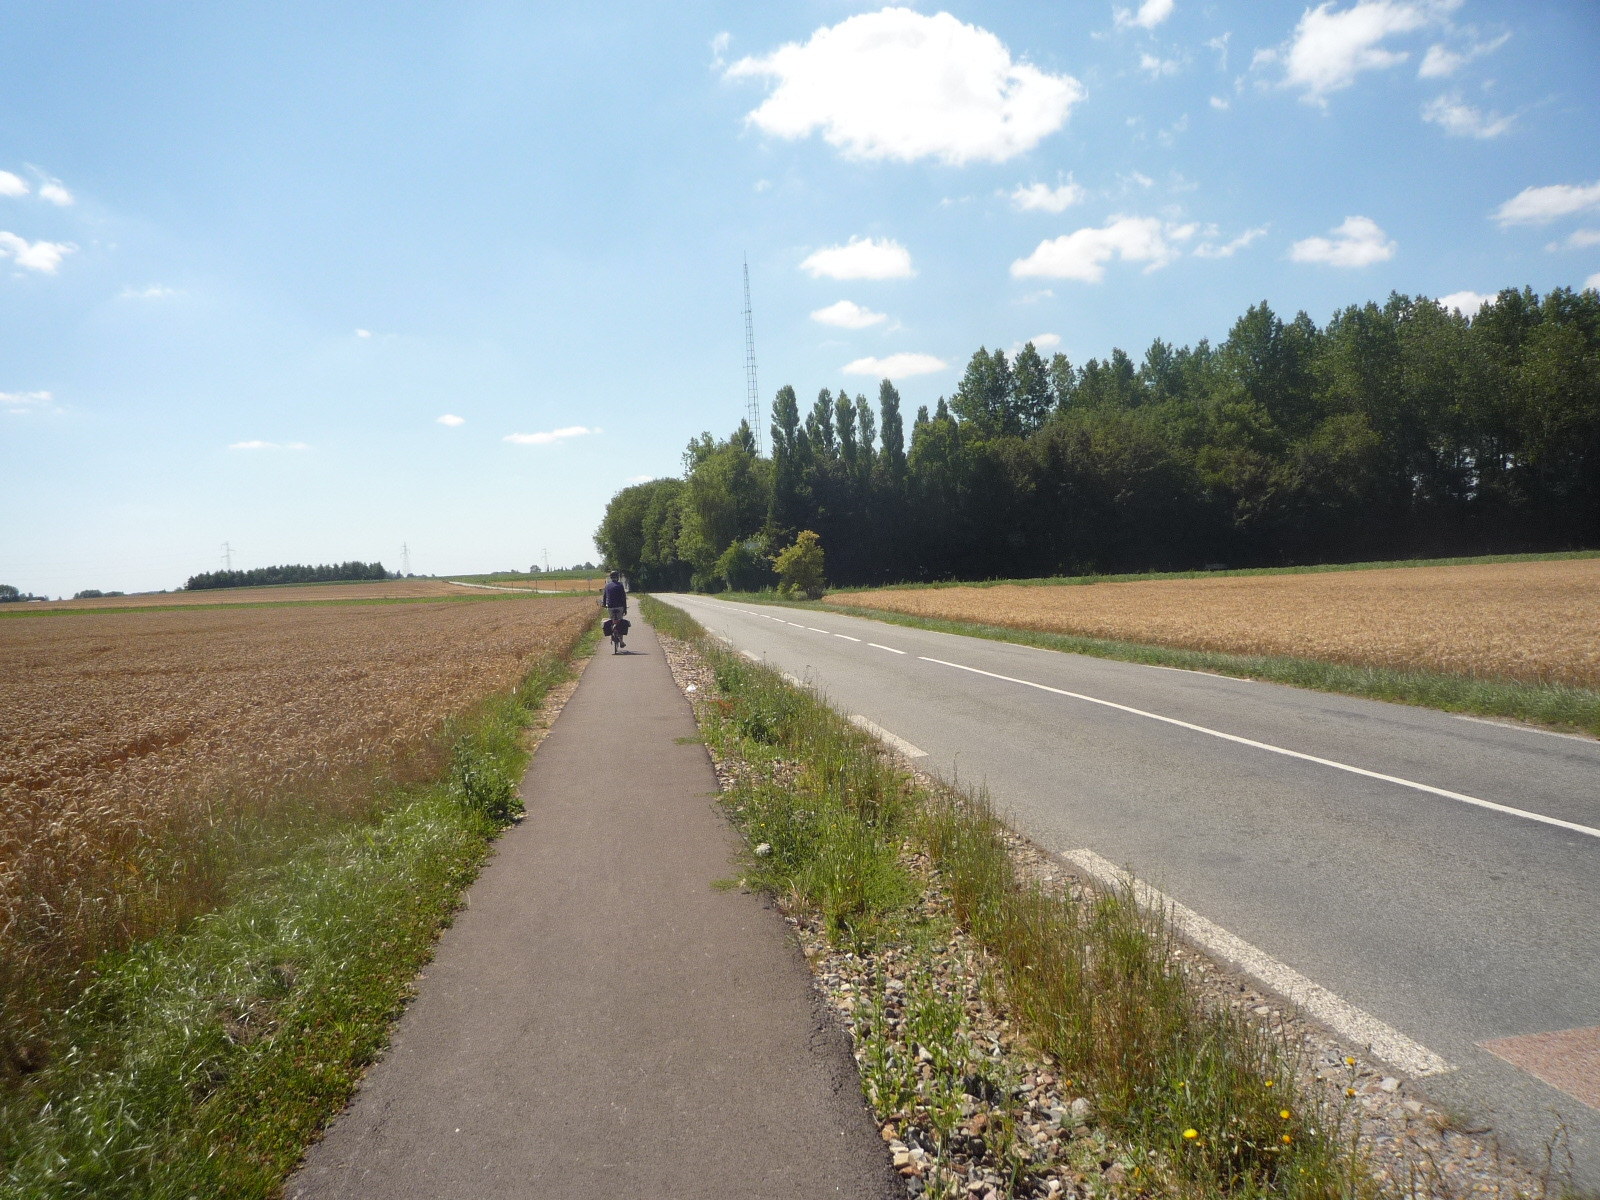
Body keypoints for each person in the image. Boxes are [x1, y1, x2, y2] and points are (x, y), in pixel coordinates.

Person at [601, 570, 628, 647]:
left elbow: (604, 596)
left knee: (612, 620)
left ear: (611, 577)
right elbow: (623, 598)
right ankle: (621, 642)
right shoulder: (620, 585)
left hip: (610, 606)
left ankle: (612, 635)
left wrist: (604, 604)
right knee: (620, 621)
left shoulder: (607, 586)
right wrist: (625, 608)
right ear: (618, 577)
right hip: (619, 606)